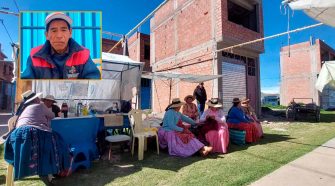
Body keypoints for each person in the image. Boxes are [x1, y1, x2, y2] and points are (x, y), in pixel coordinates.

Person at [4, 91, 70, 182]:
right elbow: (52, 115)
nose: (39, 99)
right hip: (31, 133)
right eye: (38, 97)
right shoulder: (40, 105)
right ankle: (52, 168)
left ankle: (44, 170)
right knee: (59, 141)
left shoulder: (25, 108)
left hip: (17, 136)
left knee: (50, 138)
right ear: (35, 99)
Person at [21, 12, 101, 79]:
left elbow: (93, 79)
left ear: (70, 33)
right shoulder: (35, 55)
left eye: (63, 30)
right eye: (54, 31)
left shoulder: (83, 54)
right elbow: (27, 82)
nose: (59, 35)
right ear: (46, 35)